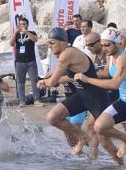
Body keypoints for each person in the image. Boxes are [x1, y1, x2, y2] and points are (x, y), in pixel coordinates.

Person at [37, 27, 113, 159]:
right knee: (52, 117)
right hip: (82, 96)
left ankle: (114, 165)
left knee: (103, 139)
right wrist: (48, 79)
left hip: (97, 98)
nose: (49, 47)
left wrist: (45, 81)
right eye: (48, 43)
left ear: (62, 42)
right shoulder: (64, 55)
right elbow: (69, 77)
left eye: (51, 43)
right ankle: (82, 137)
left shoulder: (67, 54)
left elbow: (53, 82)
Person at [74, 27, 126, 164]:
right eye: (103, 45)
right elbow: (106, 74)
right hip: (124, 101)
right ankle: (120, 168)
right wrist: (78, 74)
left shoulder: (125, 58)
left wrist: (87, 80)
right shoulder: (111, 57)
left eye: (107, 45)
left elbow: (114, 84)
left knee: (99, 127)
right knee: (100, 129)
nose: (104, 48)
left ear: (117, 43)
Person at [9, 17, 43, 106]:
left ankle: (37, 100)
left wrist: (26, 32)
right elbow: (11, 44)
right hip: (19, 61)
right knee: (20, 82)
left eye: (24, 24)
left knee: (34, 81)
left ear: (27, 25)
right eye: (20, 24)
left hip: (31, 61)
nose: (22, 25)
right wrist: (15, 33)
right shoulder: (16, 35)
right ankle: (22, 101)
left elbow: (35, 39)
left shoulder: (31, 33)